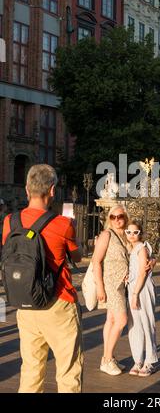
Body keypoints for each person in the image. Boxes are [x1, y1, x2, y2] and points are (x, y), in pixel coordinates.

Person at [2, 164, 83, 393]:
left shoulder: (10, 221)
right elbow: (76, 257)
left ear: (27, 189)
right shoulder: (62, 224)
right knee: (68, 373)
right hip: (59, 302)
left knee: (30, 371)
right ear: (53, 190)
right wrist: (73, 231)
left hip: (25, 303)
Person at [92, 205, 156, 376]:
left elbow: (141, 251)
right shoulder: (106, 235)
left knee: (111, 320)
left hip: (124, 284)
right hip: (111, 284)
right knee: (121, 320)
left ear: (125, 217)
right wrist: (99, 286)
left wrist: (153, 260)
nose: (117, 219)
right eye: (112, 217)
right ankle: (106, 359)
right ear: (109, 219)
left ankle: (109, 358)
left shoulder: (127, 235)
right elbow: (96, 261)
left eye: (120, 216)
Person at [125, 220, 158, 377]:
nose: (132, 235)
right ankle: (138, 359)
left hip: (142, 289)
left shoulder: (141, 248)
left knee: (146, 323)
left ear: (141, 233)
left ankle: (149, 361)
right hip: (134, 287)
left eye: (135, 232)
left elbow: (143, 273)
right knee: (134, 325)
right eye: (129, 232)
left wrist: (135, 294)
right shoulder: (132, 249)